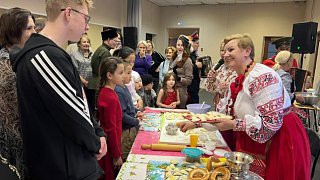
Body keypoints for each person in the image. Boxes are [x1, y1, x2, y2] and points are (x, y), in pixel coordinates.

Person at [180, 34, 311, 179]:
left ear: (247, 51)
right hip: (253, 137)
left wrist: (233, 124)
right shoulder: (237, 80)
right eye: (224, 51)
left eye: (231, 49)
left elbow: (270, 125)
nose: (226, 54)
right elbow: (223, 114)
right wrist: (197, 123)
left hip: (279, 140)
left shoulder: (262, 76)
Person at [10, 1, 108, 179]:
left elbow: (79, 102)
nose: (87, 26)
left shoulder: (53, 53)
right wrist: (96, 142)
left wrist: (98, 132)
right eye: (86, 18)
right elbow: (73, 115)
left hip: (68, 163)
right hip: (62, 167)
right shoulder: (45, 55)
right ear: (68, 13)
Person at [0, 7, 35, 179]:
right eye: (29, 28)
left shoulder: (23, 55)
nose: (34, 33)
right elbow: (11, 112)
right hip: (14, 139)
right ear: (14, 30)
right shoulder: (5, 62)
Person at [96, 58, 124, 180]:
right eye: (121, 73)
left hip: (111, 143)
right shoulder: (109, 97)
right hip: (109, 146)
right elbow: (111, 128)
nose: (123, 76)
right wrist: (116, 155)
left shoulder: (109, 92)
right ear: (109, 75)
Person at [115, 61, 144, 161]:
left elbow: (128, 107)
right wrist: (136, 121)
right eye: (128, 73)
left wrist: (136, 111)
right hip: (125, 130)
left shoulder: (125, 87)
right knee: (125, 156)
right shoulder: (118, 90)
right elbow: (121, 114)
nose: (131, 76)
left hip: (130, 128)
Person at [88, 28, 119, 110]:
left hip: (93, 83)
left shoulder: (100, 49)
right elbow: (106, 71)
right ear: (108, 40)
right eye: (115, 41)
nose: (116, 43)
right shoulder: (105, 52)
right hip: (97, 84)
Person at [205, 41, 237, 110]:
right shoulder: (217, 66)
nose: (225, 53)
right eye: (222, 50)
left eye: (229, 50)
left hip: (233, 103)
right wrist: (211, 79)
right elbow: (208, 88)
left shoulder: (238, 68)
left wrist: (231, 86)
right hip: (219, 102)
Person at [71, 34, 95, 113]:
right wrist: (84, 82)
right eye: (84, 42)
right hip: (80, 84)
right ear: (79, 44)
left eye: (88, 42)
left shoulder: (92, 54)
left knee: (92, 105)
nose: (86, 44)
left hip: (91, 84)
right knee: (83, 105)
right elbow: (75, 71)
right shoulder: (75, 56)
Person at [169, 35, 193, 109]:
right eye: (178, 45)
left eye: (182, 45)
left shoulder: (188, 61)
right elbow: (169, 71)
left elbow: (189, 81)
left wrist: (179, 78)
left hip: (181, 90)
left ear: (185, 47)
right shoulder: (173, 58)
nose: (179, 47)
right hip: (171, 89)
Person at [187, 31, 202, 104]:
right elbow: (187, 70)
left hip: (195, 85)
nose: (198, 45)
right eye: (197, 43)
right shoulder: (187, 56)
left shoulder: (193, 55)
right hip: (190, 86)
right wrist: (196, 66)